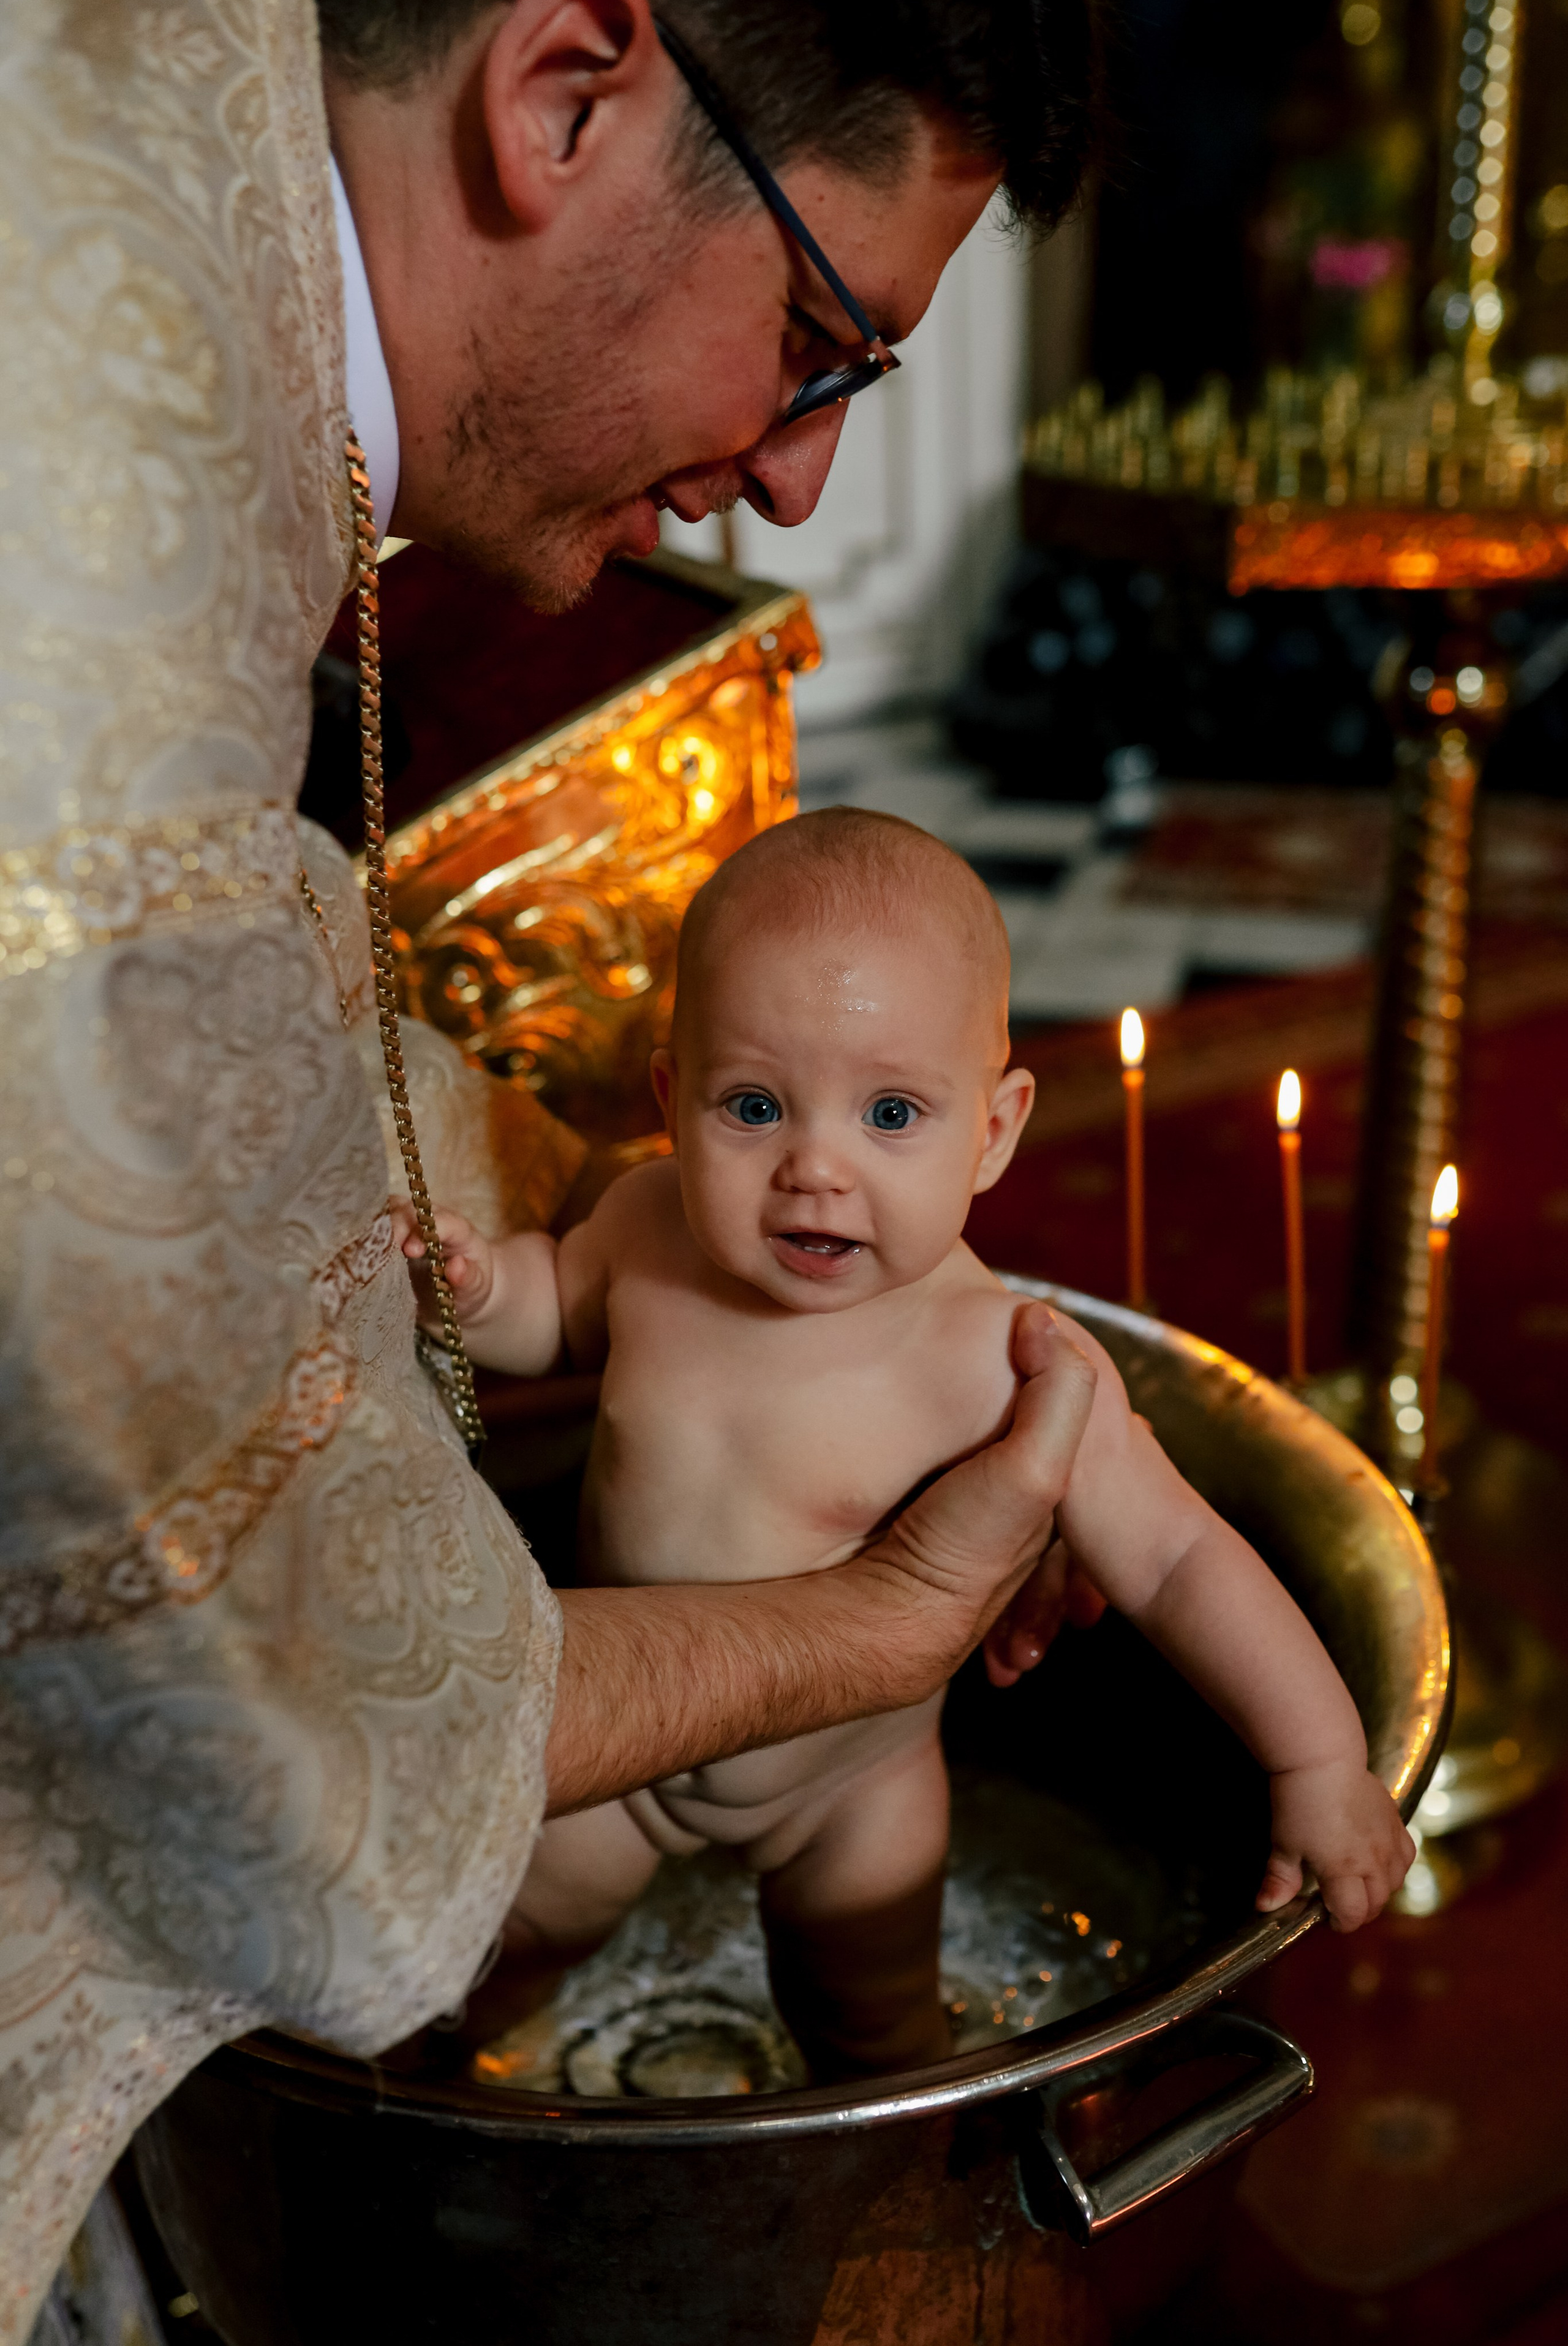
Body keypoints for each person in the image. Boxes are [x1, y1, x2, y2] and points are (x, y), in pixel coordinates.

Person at [0, 0, 1099, 2331]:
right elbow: (264, 1702)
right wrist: (882, 1630)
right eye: (821, 340)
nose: (801, 484)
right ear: (565, 90)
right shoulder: (78, 673)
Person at [398, 809, 1416, 2080]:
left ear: (991, 1131)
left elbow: (1172, 1561)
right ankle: (445, 2095)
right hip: (626, 1750)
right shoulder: (648, 1225)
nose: (814, 1169)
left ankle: (892, 2166)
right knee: (495, 1954)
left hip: (851, 1789)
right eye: (754, 1107)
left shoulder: (999, 1360)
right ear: (671, 1099)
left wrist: (1316, 1760)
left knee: (871, 2017)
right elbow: (562, 1311)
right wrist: (486, 1291)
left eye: (889, 1114)